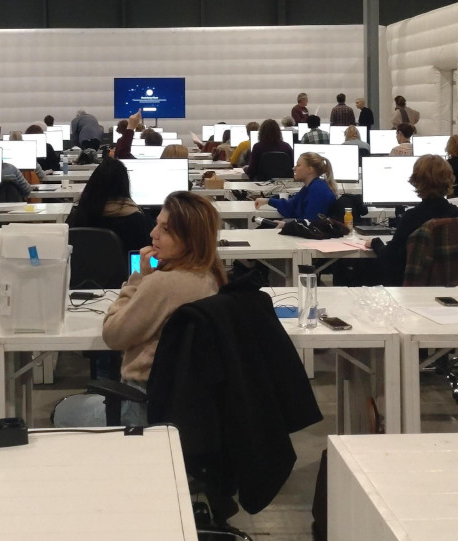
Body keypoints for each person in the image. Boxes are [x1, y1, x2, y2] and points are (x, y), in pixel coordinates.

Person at [101, 192, 225, 425]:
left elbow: (112, 334)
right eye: (157, 224)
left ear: (190, 238)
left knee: (63, 411)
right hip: (185, 405)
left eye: (165, 229)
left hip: (142, 404)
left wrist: (138, 279)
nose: (152, 233)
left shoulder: (164, 283)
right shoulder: (212, 276)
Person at [370, 155, 458, 286]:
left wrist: (375, 243)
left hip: (417, 289)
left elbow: (390, 257)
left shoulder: (412, 218)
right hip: (456, 289)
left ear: (416, 181)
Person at [66, 157, 155, 254]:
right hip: (127, 269)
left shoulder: (77, 218)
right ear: (124, 185)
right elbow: (148, 259)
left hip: (78, 269)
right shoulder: (140, 223)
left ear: (92, 184)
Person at [255, 152, 338, 221]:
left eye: (298, 165)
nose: (293, 168)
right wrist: (268, 201)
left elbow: (311, 222)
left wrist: (286, 225)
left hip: (313, 238)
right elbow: (291, 206)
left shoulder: (318, 190)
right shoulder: (309, 187)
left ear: (309, 169)